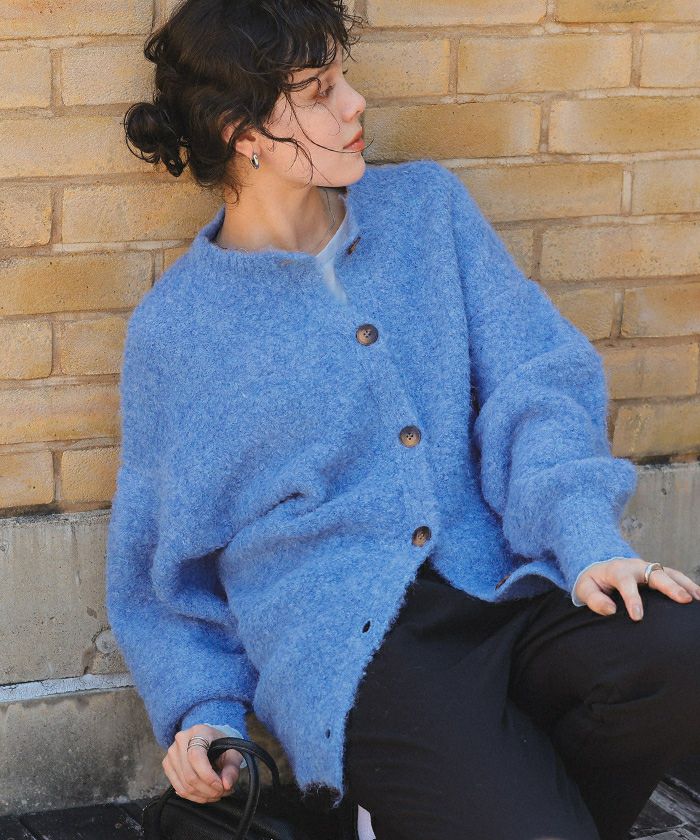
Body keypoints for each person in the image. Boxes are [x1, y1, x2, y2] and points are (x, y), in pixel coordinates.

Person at [108, 2, 700, 838]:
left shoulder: (426, 210)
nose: (355, 104)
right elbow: (159, 570)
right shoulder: (179, 329)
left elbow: (537, 380)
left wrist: (585, 538)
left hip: (501, 579)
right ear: (244, 133)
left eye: (342, 78)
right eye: (318, 91)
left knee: (679, 647)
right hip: (354, 652)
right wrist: (205, 712)